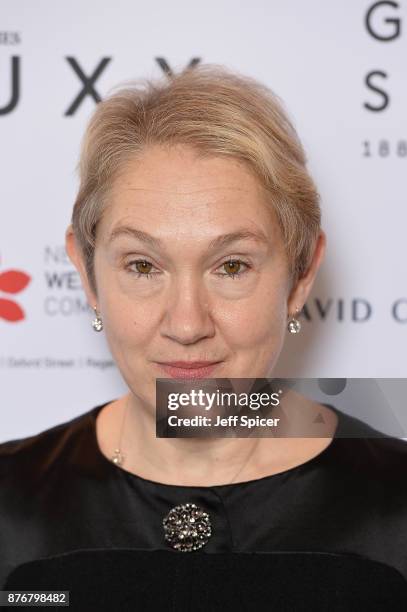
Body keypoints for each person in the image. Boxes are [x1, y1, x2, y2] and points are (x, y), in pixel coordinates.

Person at [1, 63, 407, 611]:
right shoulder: (10, 502)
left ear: (301, 274)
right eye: (143, 266)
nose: (188, 325)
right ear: (87, 273)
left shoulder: (395, 507)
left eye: (232, 266)